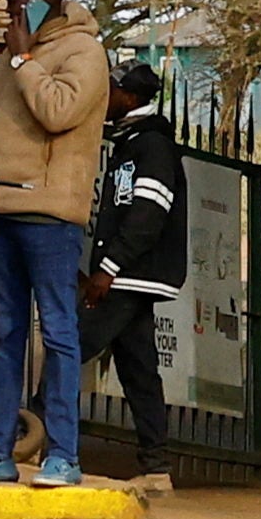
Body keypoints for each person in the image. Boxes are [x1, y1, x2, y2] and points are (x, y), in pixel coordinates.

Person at [0, 0, 106, 487]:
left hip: (49, 214)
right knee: (5, 335)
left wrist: (24, 58)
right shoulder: (13, 56)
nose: (11, 15)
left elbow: (58, 111)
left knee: (59, 334)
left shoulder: (84, 52)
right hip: (0, 211)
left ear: (42, 1)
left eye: (18, 5)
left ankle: (62, 456)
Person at [83, 60, 187, 478]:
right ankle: (156, 464)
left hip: (128, 275)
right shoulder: (130, 140)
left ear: (129, 96)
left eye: (109, 90)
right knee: (140, 369)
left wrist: (107, 268)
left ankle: (31, 441)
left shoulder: (152, 147)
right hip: (129, 274)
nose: (103, 97)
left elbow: (148, 213)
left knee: (71, 347)